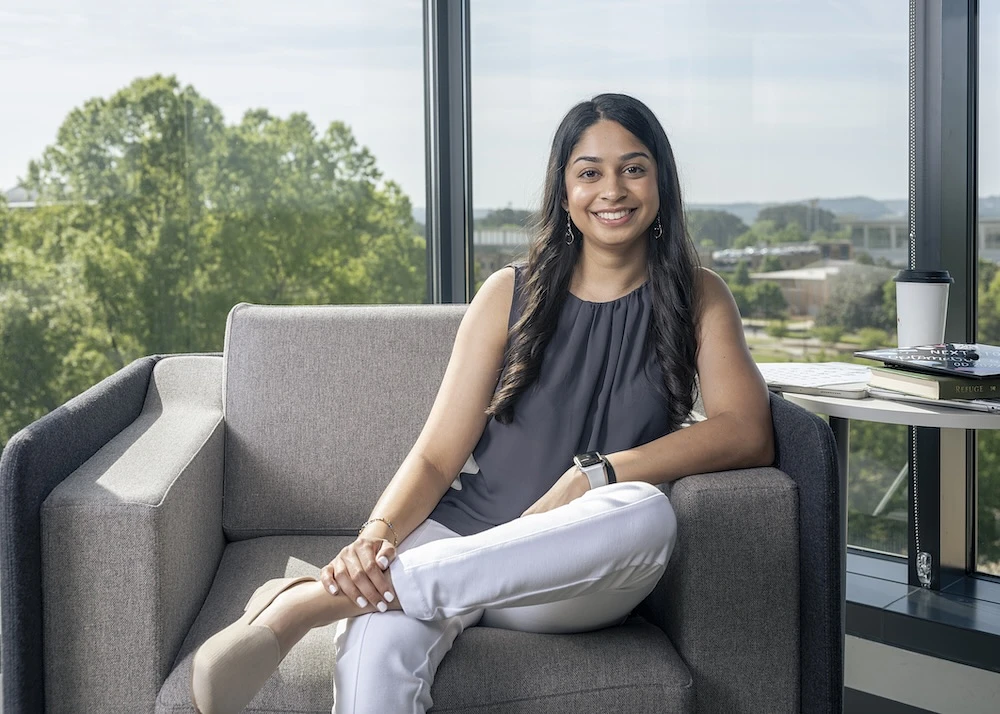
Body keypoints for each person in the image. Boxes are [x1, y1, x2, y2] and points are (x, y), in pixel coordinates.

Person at [190, 93, 774, 714]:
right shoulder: (508, 293)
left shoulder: (700, 295)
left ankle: (312, 601)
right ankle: (368, 590)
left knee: (646, 515)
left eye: (633, 168)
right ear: (564, 190)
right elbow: (438, 457)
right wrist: (375, 538)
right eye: (590, 172)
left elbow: (747, 431)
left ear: (660, 181)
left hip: (570, 574)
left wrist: (599, 473)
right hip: (459, 535)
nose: (613, 190)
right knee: (373, 659)